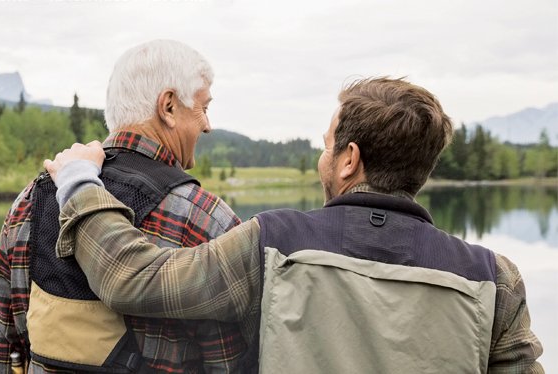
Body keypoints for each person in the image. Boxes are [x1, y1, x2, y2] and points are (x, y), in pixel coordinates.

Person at [45, 77, 544, 373]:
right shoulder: (496, 280)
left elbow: (136, 278)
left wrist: (78, 183)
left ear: (349, 160)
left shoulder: (273, 244)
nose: (321, 156)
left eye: (327, 144)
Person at [0, 39, 247, 373]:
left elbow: (0, 352)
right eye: (203, 108)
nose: (207, 125)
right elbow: (233, 364)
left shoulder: (29, 202)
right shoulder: (207, 221)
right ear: (168, 107)